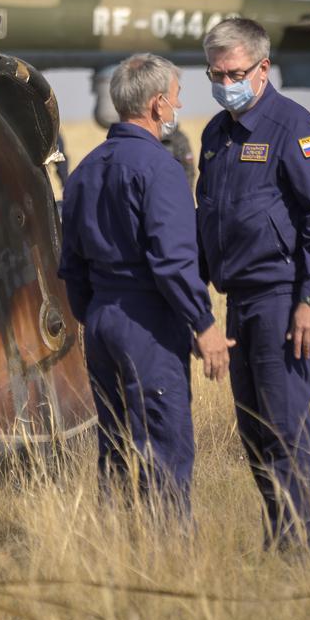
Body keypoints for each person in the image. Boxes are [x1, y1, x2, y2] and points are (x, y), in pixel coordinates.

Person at [59, 53, 231, 518]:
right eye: (176, 97)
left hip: (99, 320)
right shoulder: (161, 170)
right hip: (148, 322)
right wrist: (204, 324)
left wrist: (94, 314)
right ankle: (167, 551)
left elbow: (70, 265)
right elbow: (174, 263)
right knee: (164, 444)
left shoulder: (84, 171)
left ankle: (115, 543)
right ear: (157, 105)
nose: (178, 106)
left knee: (113, 442)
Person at [197, 18, 310, 551]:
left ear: (263, 68)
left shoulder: (295, 129)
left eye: (234, 72)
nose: (224, 81)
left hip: (284, 302)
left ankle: (297, 548)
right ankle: (275, 538)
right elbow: (207, 215)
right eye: (215, 72)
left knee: (283, 427)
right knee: (254, 431)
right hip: (238, 302)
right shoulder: (217, 133)